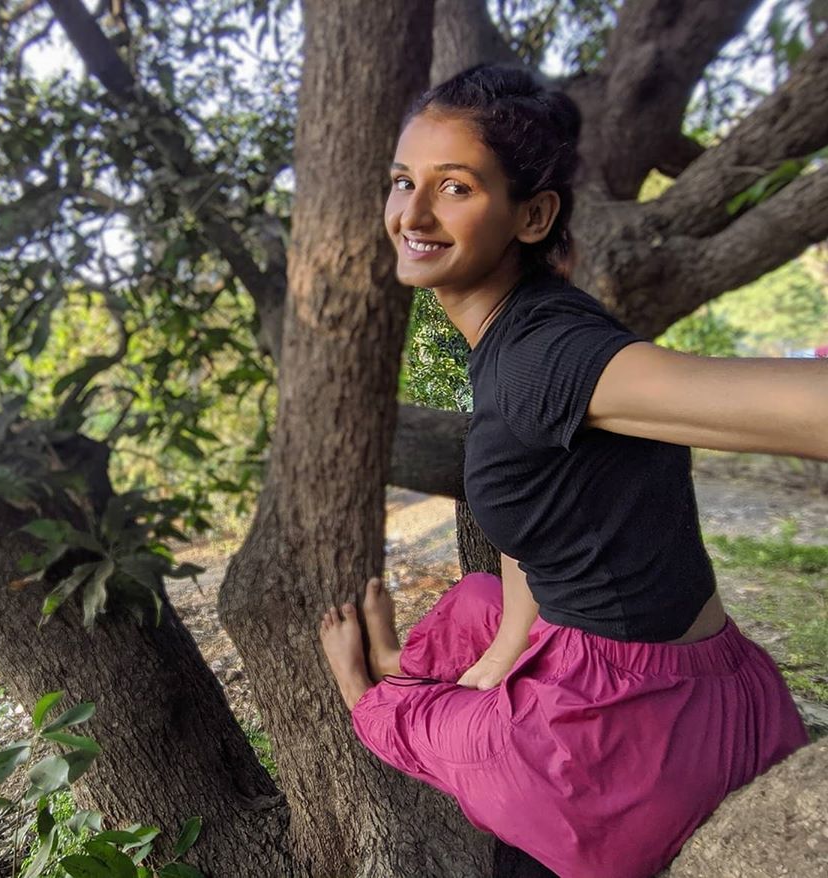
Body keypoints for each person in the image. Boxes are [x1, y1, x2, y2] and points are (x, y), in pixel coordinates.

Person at [318, 65, 822, 878]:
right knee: (475, 605)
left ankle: (377, 692)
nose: (411, 213)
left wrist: (375, 700)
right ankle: (429, 682)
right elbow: (537, 526)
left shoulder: (547, 358)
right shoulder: (527, 321)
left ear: (533, 214)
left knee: (383, 710)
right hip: (719, 685)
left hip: (636, 743)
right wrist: (497, 660)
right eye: (403, 181)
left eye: (454, 188)